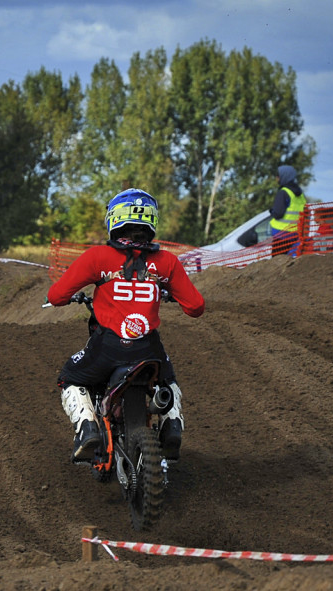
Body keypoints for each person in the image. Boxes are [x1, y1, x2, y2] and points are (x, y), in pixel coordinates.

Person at [46, 188, 205, 463]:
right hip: (148, 348)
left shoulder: (98, 257)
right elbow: (195, 307)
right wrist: (164, 289)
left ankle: (87, 429)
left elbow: (55, 296)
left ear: (114, 219)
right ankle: (172, 426)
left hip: (107, 346)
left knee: (69, 377)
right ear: (151, 222)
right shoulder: (166, 262)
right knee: (167, 379)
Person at [269, 165, 306, 255]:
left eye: (278, 175)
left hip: (281, 235)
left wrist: (272, 211)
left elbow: (278, 213)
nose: (276, 178)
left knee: (276, 264)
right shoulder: (300, 194)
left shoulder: (283, 192)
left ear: (284, 176)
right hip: (295, 234)